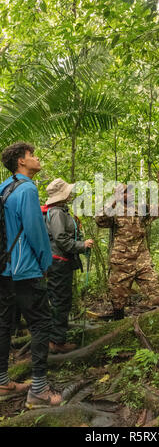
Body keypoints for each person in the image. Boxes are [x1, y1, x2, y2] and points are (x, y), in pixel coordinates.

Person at [0, 142, 62, 408]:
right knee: (40, 323)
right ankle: (39, 389)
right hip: (25, 269)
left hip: (4, 269)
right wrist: (46, 263)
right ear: (21, 162)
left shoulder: (3, 187)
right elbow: (36, 231)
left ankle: (3, 381)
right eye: (32, 155)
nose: (37, 158)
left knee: (4, 324)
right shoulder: (26, 189)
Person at [95, 172, 159, 320]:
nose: (129, 194)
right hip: (121, 262)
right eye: (125, 192)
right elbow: (99, 220)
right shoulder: (113, 212)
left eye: (130, 191)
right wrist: (113, 201)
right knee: (118, 300)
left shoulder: (140, 209)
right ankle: (118, 326)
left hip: (142, 261)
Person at [44, 178, 93, 354]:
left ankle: (56, 338)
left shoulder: (61, 211)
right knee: (60, 301)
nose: (71, 194)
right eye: (68, 191)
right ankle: (56, 342)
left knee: (61, 299)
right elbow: (61, 239)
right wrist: (82, 245)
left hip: (60, 261)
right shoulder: (56, 213)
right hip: (58, 262)